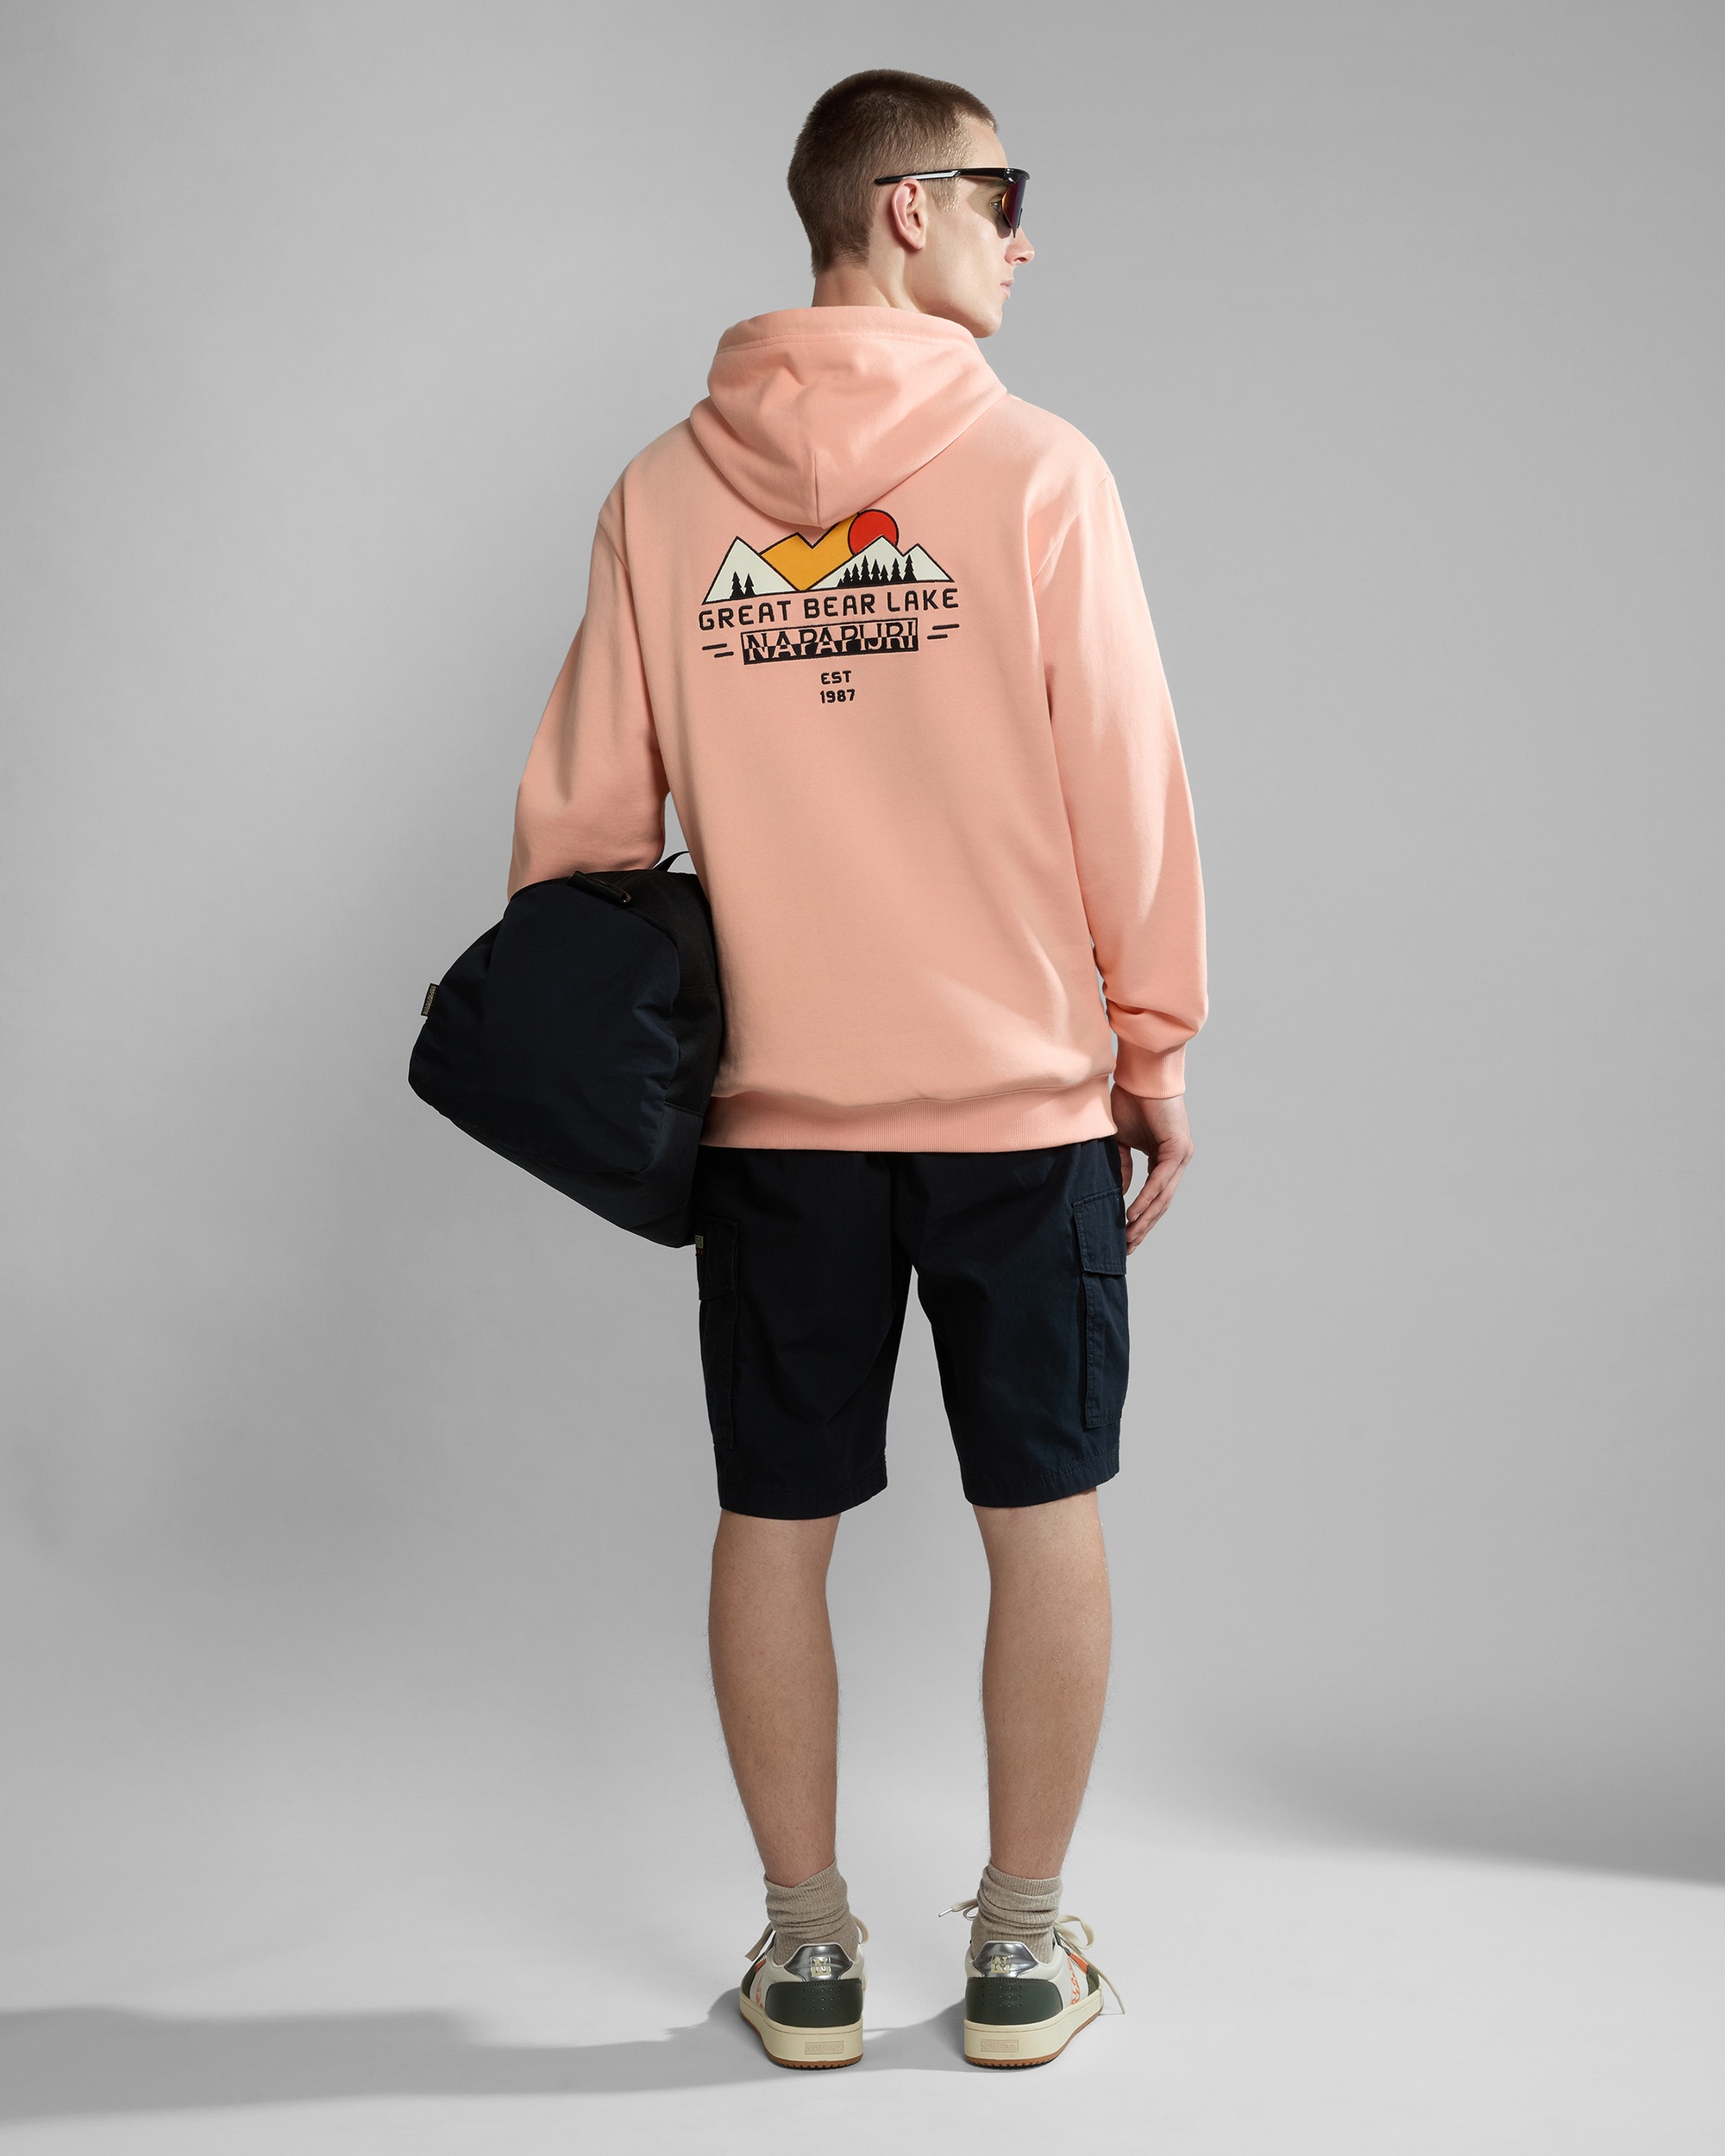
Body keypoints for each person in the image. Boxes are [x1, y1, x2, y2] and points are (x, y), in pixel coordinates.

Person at [507, 68, 1206, 2071]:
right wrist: (1151, 1044)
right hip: (1019, 1105)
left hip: (775, 1128)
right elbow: (1127, 788)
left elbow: (579, 843)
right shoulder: (1040, 471)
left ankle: (803, 1952)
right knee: (1043, 1508)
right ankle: (1022, 1954)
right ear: (905, 206)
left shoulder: (661, 494)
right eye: (1001, 193)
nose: (1023, 236)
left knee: (774, 1517)